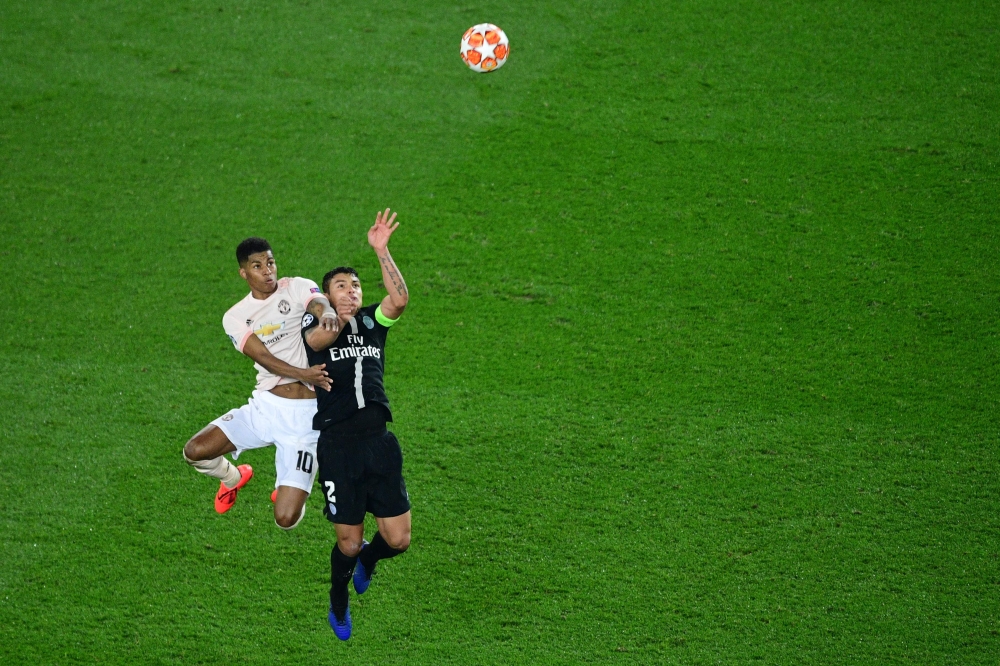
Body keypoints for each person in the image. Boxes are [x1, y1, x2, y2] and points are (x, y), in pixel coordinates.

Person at [301, 209, 411, 640]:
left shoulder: (372, 322)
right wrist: (337, 315)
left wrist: (382, 250)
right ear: (327, 295)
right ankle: (338, 599)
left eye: (355, 285)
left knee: (398, 539)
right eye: (341, 286)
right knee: (347, 541)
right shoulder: (318, 324)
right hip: (339, 447)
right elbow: (317, 340)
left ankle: (369, 560)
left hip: (379, 442)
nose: (351, 290)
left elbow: (398, 300)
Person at [182, 237, 341, 529]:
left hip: (306, 420)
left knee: (286, 519)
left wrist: (327, 311)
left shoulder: (295, 286)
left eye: (270, 262)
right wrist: (304, 374)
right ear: (244, 273)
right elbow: (264, 358)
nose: (268, 271)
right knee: (194, 451)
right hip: (265, 407)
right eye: (257, 266)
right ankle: (232, 477)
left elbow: (317, 302)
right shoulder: (235, 317)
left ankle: (289, 487)